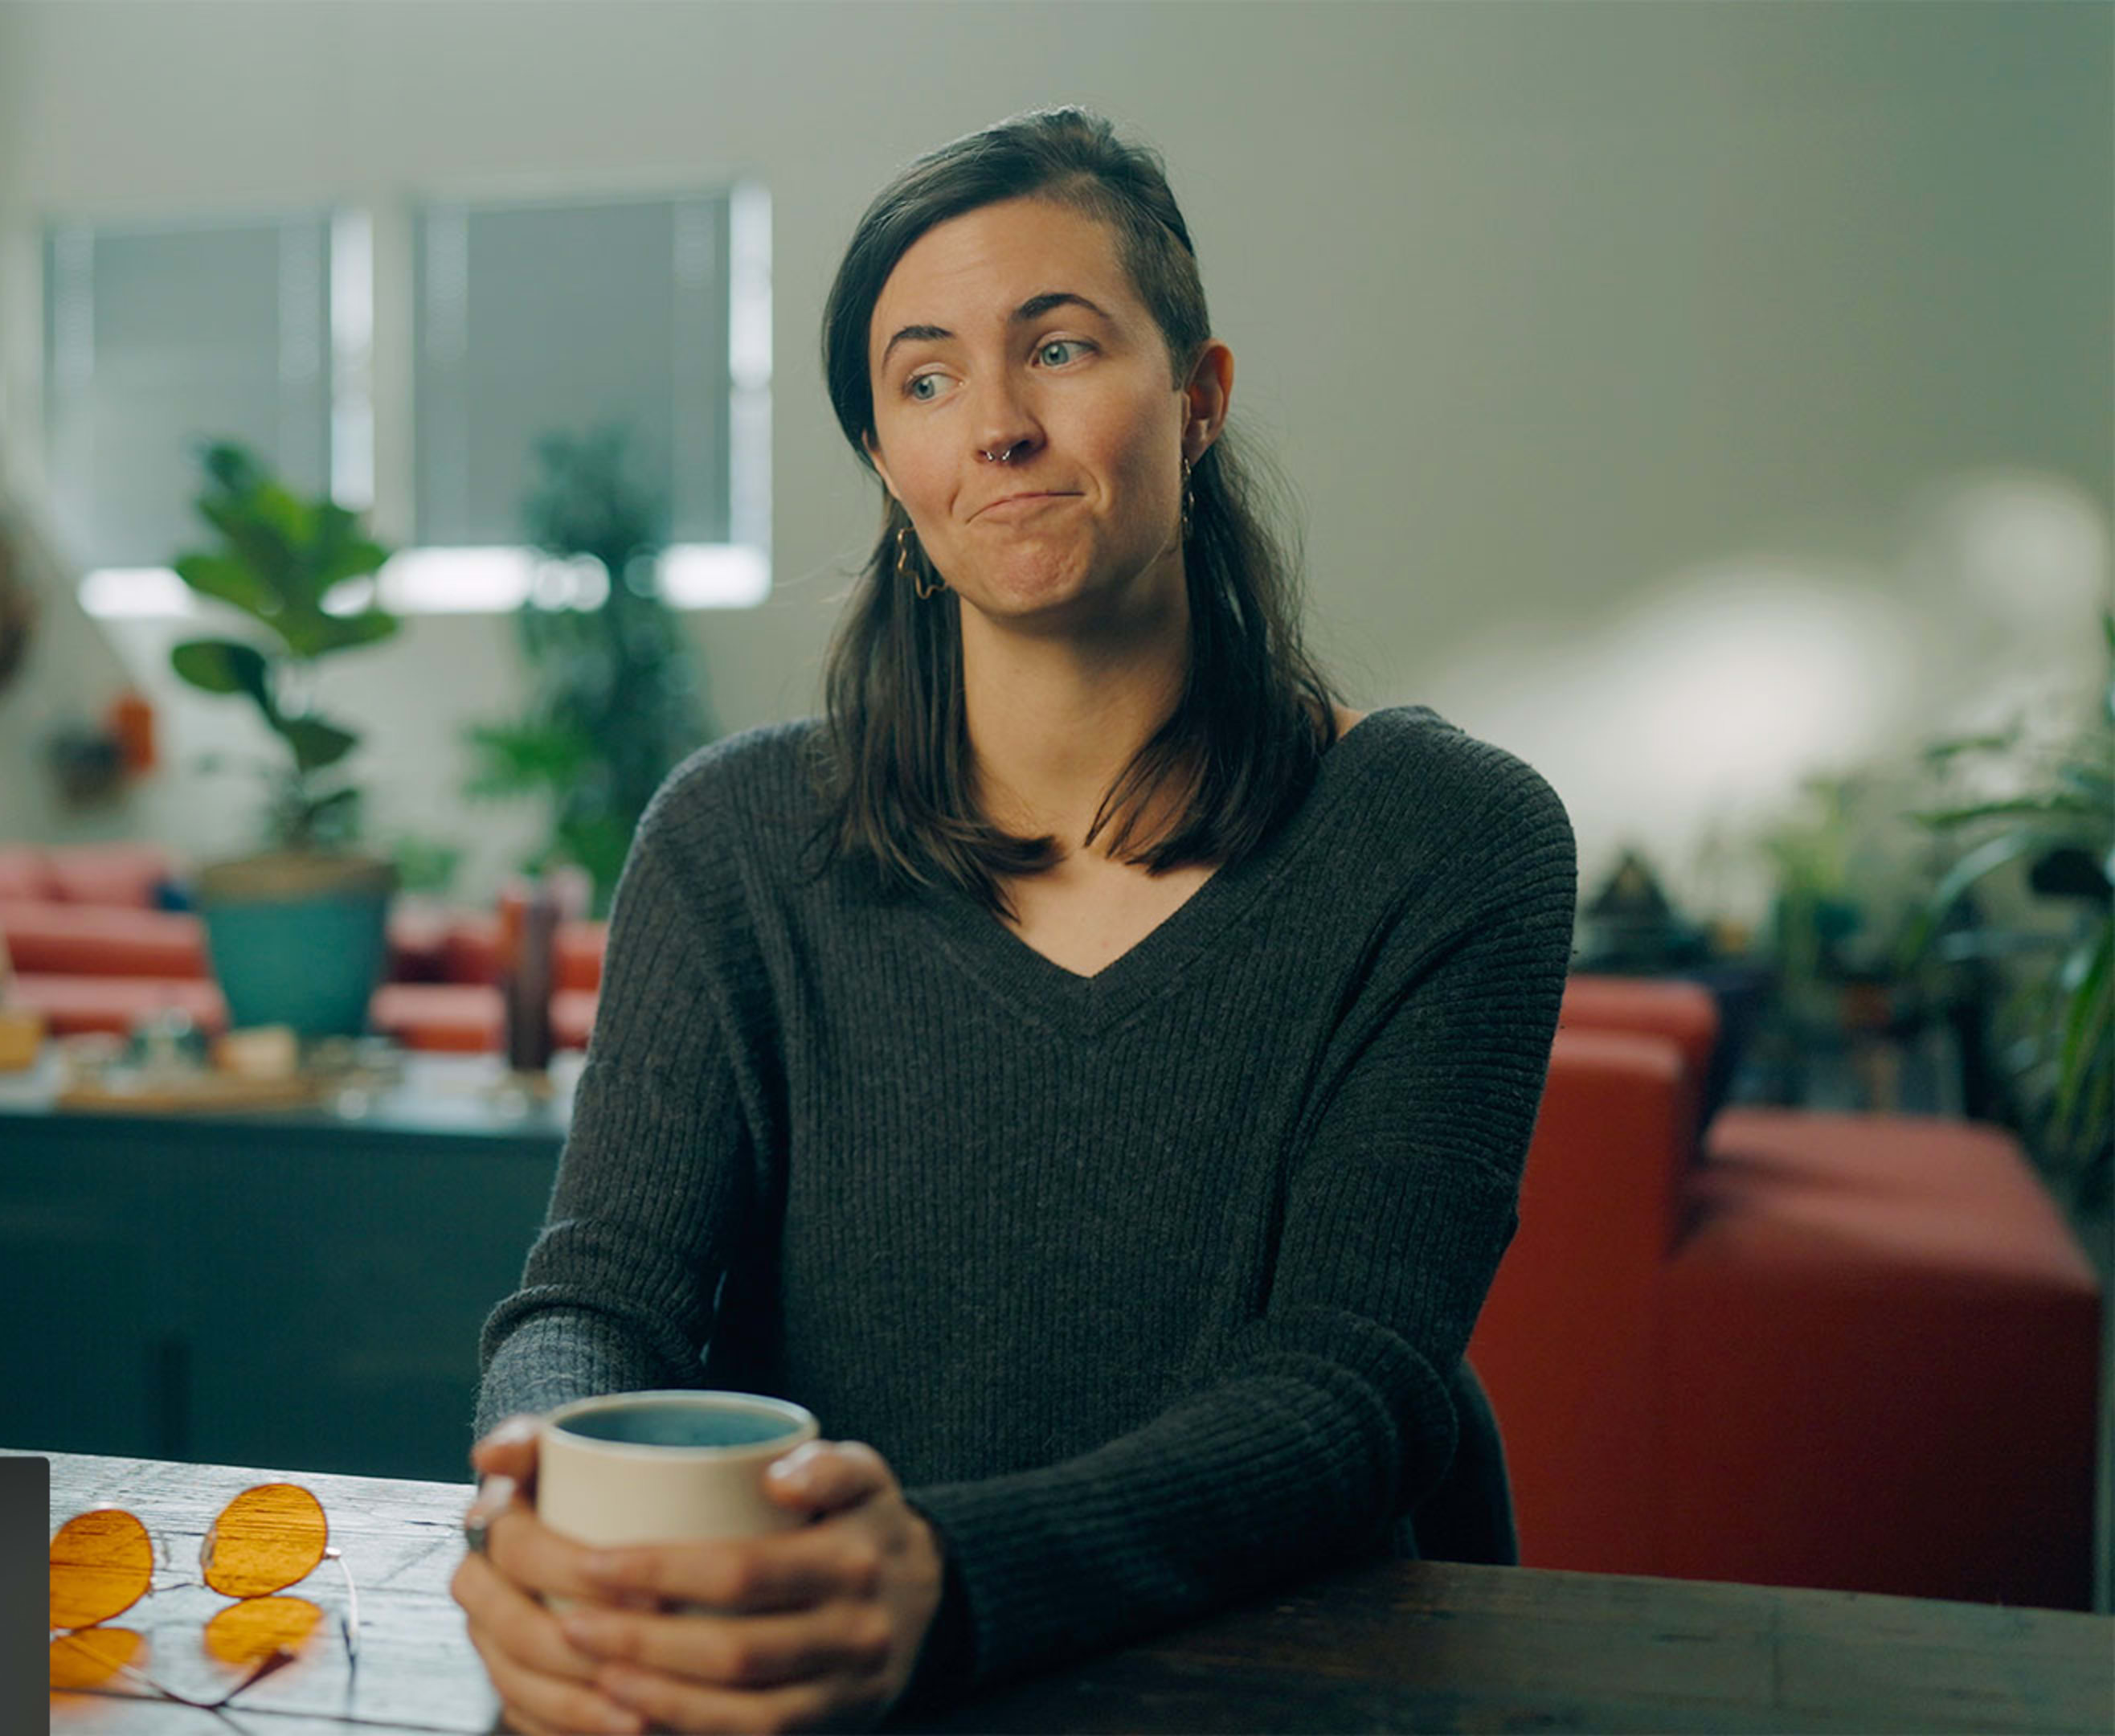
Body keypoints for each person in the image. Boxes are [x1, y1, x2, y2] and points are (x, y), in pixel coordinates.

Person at [450, 106, 1578, 1735]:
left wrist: (947, 1578)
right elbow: (590, 1304)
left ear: (1198, 404)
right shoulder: (729, 847)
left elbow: (1356, 1388)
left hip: (1286, 1685)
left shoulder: (1449, 843)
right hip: (805, 1681)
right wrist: (541, 1496)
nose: (997, 427)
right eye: (925, 380)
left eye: (1058, 348)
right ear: (893, 470)